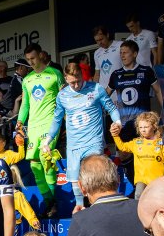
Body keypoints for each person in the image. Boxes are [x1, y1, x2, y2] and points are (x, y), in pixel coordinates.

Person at [41, 60, 122, 209]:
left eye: (78, 80)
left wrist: (117, 122)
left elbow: (111, 108)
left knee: (96, 175)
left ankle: (101, 206)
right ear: (66, 79)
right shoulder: (62, 96)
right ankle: (80, 207)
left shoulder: (96, 89)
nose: (76, 85)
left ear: (81, 75)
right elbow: (57, 120)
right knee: (74, 179)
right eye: (72, 83)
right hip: (74, 145)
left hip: (93, 142)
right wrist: (47, 141)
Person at [17, 43, 63, 210]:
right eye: (28, 60)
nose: (31, 62)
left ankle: (51, 203)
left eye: (33, 58)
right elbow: (25, 104)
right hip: (33, 126)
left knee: (46, 158)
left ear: (41, 55)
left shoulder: (55, 74)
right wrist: (20, 122)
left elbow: (64, 97)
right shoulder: (27, 79)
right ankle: (50, 202)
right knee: (35, 165)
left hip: (50, 123)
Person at [108, 39, 164, 141]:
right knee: (124, 155)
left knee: (146, 152)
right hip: (124, 122)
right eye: (120, 53)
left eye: (125, 52)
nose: (122, 55)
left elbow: (158, 91)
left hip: (144, 122)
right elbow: (105, 95)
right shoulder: (116, 74)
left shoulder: (146, 71)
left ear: (134, 54)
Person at [113, 111, 164, 198]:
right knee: (139, 195)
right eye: (140, 127)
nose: (143, 129)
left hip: (157, 179)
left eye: (146, 127)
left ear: (154, 126)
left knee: (157, 198)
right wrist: (115, 135)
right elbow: (122, 147)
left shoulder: (161, 143)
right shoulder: (137, 142)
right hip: (141, 180)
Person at [92, 25, 121, 93]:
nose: (99, 43)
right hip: (104, 91)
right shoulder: (96, 53)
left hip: (120, 88)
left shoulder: (120, 45)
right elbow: (97, 74)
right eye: (97, 41)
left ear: (107, 35)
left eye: (101, 39)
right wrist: (93, 90)